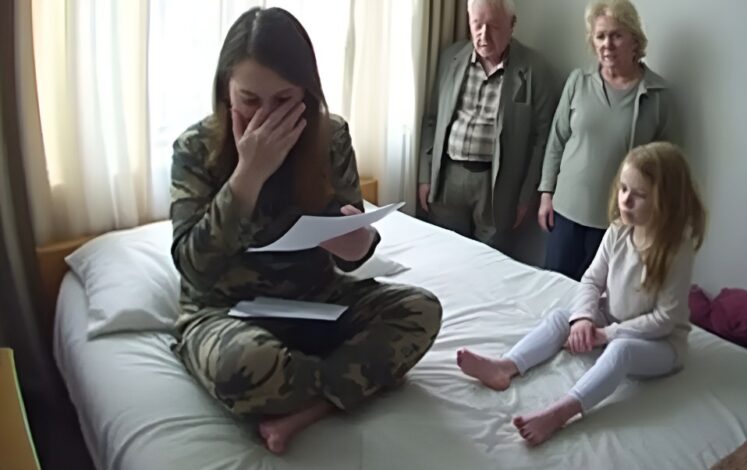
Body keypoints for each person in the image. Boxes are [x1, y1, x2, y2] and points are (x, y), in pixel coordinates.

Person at [169, 7, 442, 454]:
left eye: (283, 100)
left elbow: (352, 245)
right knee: (245, 366)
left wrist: (357, 243)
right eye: (249, 100)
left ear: (307, 93)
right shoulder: (195, 148)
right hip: (225, 310)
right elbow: (194, 268)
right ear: (225, 90)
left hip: (314, 299)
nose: (265, 117)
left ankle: (310, 406)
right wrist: (248, 174)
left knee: (421, 310)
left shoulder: (329, 136)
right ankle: (348, 383)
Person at [457, 142, 706, 446]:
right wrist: (584, 319)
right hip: (612, 316)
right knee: (561, 317)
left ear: (666, 201)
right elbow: (591, 279)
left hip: (662, 343)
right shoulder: (618, 231)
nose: (625, 200)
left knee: (621, 350)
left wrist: (606, 335)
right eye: (623, 189)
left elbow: (665, 319)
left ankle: (560, 412)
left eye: (638, 195)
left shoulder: (675, 250)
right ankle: (505, 367)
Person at [538, 0, 677, 280]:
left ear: (634, 39)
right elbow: (557, 140)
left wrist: (655, 219)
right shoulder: (578, 81)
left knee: (600, 297)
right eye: (600, 36)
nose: (607, 44)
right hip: (566, 213)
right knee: (556, 289)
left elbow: (667, 167)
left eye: (616, 35)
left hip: (618, 221)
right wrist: (546, 194)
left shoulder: (657, 95)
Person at [418, 0, 556, 256]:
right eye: (476, 24)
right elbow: (432, 119)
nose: (483, 35)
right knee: (445, 256)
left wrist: (525, 197)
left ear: (512, 25)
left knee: (490, 261)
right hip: (448, 177)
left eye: (493, 26)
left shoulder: (534, 69)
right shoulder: (451, 58)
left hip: (498, 185)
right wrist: (425, 176)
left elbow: (542, 140)